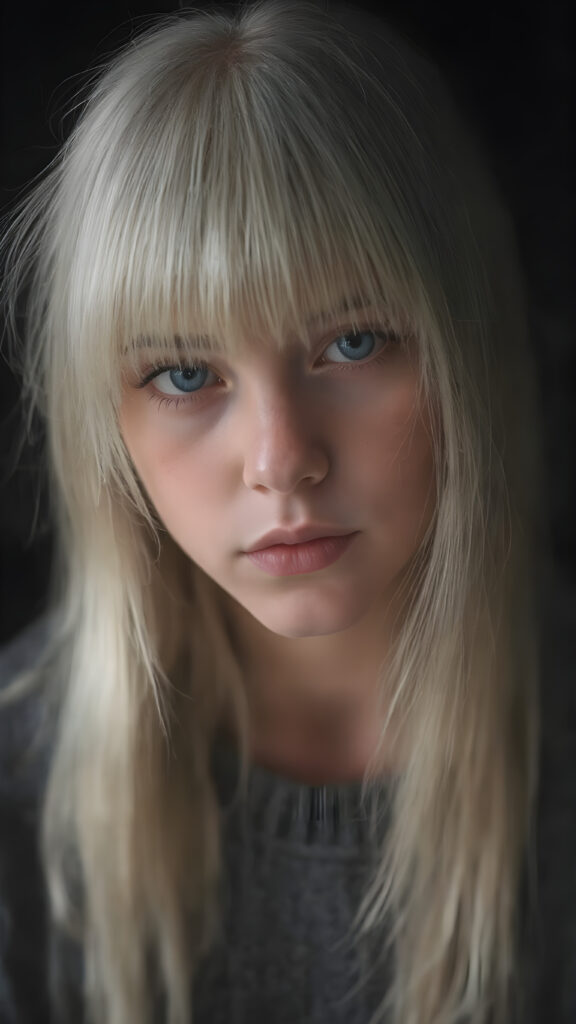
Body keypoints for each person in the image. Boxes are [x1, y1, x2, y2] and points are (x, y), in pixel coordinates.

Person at [0, 2, 574, 1022]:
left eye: (353, 343)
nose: (281, 461)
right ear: (105, 421)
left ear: (465, 342)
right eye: (184, 371)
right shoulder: (20, 787)